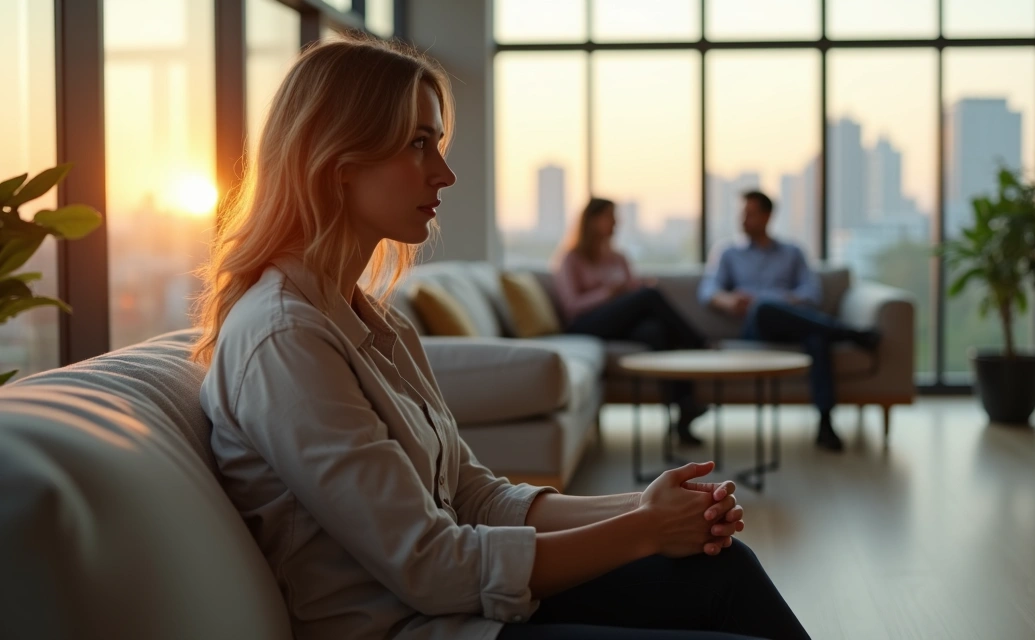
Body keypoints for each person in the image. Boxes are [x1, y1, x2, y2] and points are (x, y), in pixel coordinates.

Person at [191, 37, 810, 640]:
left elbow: (472, 495)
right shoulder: (285, 339)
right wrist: (645, 532)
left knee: (723, 568)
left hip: (463, 608)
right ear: (339, 164)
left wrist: (643, 507)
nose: (446, 173)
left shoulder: (372, 321)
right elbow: (432, 568)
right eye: (418, 144)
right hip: (416, 625)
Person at [699, 191, 880, 453]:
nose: (743, 220)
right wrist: (728, 300)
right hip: (755, 329)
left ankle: (825, 424)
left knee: (816, 339)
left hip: (792, 327)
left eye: (750, 214)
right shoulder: (728, 253)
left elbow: (811, 293)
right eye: (742, 214)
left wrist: (781, 299)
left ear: (768, 216)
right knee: (763, 309)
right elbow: (707, 291)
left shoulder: (792, 253)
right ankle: (847, 333)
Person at [552, 198, 709, 446]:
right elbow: (572, 307)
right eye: (610, 216)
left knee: (657, 332)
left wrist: (635, 288)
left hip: (619, 324)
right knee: (650, 297)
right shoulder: (572, 258)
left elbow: (631, 292)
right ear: (592, 221)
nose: (616, 222)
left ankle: (683, 412)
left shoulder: (618, 257)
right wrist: (608, 293)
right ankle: (697, 343)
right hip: (586, 324)